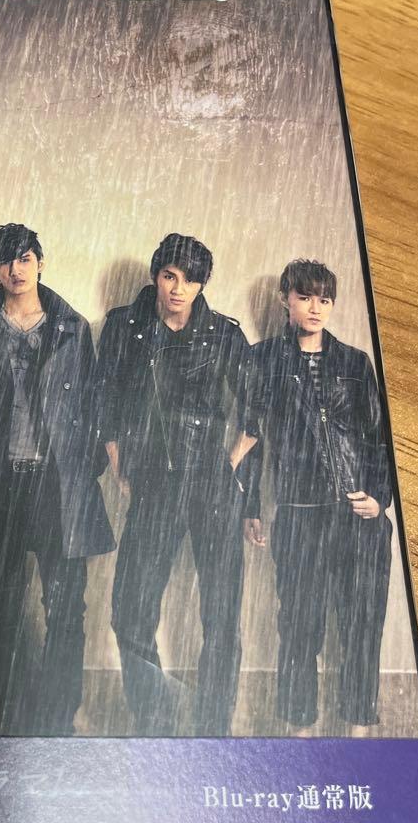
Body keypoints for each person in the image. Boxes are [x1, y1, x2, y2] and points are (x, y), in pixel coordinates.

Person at [0, 224, 113, 734]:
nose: (14, 270)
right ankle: (14, 718)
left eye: (24, 258)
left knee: (65, 607)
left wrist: (86, 468)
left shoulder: (72, 328)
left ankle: (59, 720)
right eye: (4, 261)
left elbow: (94, 403)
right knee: (3, 609)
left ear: (41, 262)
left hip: (57, 486)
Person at [229, 259, 392, 734]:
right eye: (304, 297)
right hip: (300, 515)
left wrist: (380, 499)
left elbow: (378, 438)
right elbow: (252, 434)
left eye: (324, 299)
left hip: (358, 517)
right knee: (299, 627)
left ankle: (359, 731)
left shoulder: (355, 363)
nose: (315, 308)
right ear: (285, 299)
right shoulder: (263, 359)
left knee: (362, 627)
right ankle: (298, 729)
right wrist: (251, 507)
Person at [98, 233, 251, 735]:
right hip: (155, 484)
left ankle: (213, 726)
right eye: (170, 276)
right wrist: (120, 467)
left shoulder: (224, 334)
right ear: (156, 276)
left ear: (203, 284)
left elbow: (257, 408)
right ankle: (154, 717)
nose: (178, 289)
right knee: (130, 609)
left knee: (221, 615)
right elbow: (106, 402)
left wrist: (228, 466)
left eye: (190, 280)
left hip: (212, 485)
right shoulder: (126, 326)